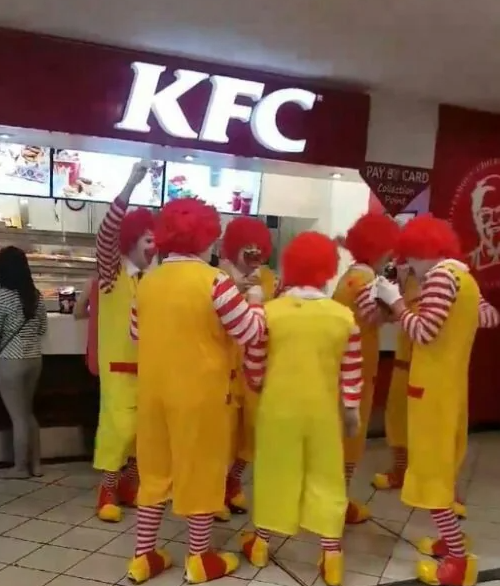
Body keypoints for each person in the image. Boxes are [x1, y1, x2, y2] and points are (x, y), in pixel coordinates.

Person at [127, 198, 266, 584]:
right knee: (202, 471)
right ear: (207, 237)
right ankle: (200, 557)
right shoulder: (215, 281)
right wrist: (256, 301)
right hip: (202, 396)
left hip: (153, 394)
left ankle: (143, 556)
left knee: (154, 472)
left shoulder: (147, 282)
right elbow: (250, 332)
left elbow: (135, 334)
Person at [374, 214, 499, 586]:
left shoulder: (440, 277)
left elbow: (424, 332)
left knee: (430, 473)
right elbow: (488, 318)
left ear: (420, 250)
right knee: (443, 467)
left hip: (431, 392)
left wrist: (396, 303)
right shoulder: (465, 278)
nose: (409, 266)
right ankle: (450, 542)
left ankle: (458, 562)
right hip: (452, 390)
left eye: (409, 258)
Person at [240, 232, 362, 586]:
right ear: (328, 270)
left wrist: (258, 383)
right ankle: (332, 555)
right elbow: (352, 370)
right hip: (323, 412)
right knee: (326, 476)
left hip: (278, 410)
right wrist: (351, 410)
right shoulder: (343, 317)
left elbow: (254, 367)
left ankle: (261, 544)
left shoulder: (270, 312)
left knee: (275, 474)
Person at [94, 160, 157, 523]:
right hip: (117, 370)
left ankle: (130, 485)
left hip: (146, 369)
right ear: (131, 241)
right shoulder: (111, 273)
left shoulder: (149, 279)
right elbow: (105, 234)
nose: (154, 246)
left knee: (141, 432)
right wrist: (131, 184)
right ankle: (106, 489)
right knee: (117, 430)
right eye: (148, 240)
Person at [333, 212, 400, 524]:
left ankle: (337, 500)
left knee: (342, 439)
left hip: (344, 367)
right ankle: (339, 503)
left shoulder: (351, 276)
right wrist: (398, 307)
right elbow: (372, 317)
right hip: (356, 372)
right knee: (350, 441)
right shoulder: (364, 281)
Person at [217, 216, 275, 519]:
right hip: (223, 366)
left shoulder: (268, 279)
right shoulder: (219, 276)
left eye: (259, 248)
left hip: (255, 366)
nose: (254, 254)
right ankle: (215, 490)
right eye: (247, 248)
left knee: (251, 434)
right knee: (223, 435)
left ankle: (233, 481)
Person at [0, 246, 47, 479]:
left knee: (18, 416)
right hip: (34, 359)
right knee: (28, 413)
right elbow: (42, 328)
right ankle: (36, 465)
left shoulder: (2, 296)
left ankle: (20, 468)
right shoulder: (35, 295)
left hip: (11, 360)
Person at [372, 259, 419, 491]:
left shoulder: (438, 277)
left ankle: (427, 478)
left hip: (426, 363)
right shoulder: (405, 273)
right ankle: (401, 471)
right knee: (397, 417)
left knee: (424, 423)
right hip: (404, 359)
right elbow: (391, 315)